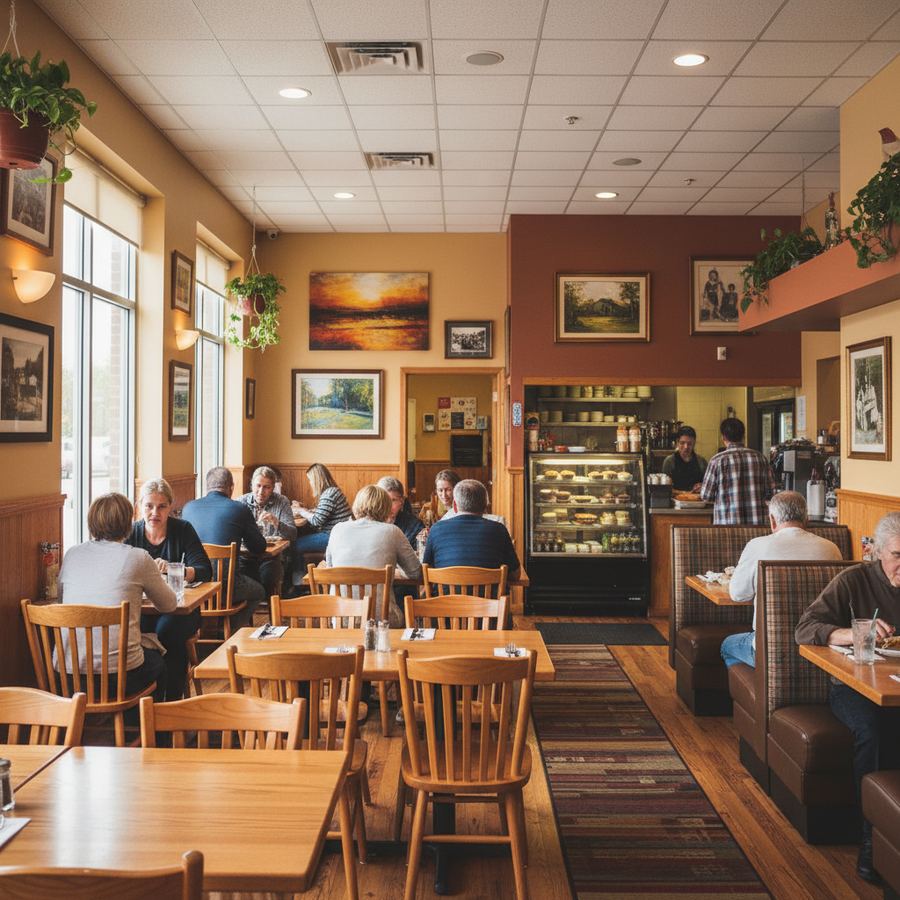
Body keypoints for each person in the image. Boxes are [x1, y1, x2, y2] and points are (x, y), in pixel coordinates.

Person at [795, 511, 900, 884]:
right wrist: (846, 633)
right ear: (875, 552)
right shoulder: (853, 580)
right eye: (898, 556)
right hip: (853, 686)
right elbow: (805, 629)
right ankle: (871, 839)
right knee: (873, 732)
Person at [59, 492, 176, 703]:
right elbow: (168, 605)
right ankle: (153, 732)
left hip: (66, 675)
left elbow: (61, 601)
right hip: (119, 676)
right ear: (128, 523)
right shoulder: (138, 557)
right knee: (159, 663)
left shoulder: (72, 554)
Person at [719, 491, 842, 669]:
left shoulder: (757, 545)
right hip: (819, 646)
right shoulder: (831, 549)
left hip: (770, 648)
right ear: (806, 518)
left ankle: (759, 687)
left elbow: (737, 594)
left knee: (726, 646)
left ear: (772, 520)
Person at [127, 478, 212, 700]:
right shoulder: (131, 533)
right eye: (149, 506)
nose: (155, 512)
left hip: (180, 610)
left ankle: (172, 701)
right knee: (134, 631)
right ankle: (147, 700)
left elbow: (205, 569)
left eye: (161, 506)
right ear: (139, 506)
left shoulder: (182, 529)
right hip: (142, 609)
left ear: (170, 507)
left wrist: (177, 569)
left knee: (168, 631)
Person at [325, 484, 422, 624]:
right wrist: (390, 572)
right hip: (381, 619)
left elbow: (330, 569)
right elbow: (415, 572)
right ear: (386, 507)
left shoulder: (337, 529)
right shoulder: (392, 531)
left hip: (341, 618)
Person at [182, 466, 266, 626]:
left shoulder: (188, 508)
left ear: (207, 487)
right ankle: (233, 629)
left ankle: (206, 630)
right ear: (231, 487)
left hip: (194, 589)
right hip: (227, 589)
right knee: (259, 592)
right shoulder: (239, 509)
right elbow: (258, 547)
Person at [423, 479, 520, 575]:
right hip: (491, 591)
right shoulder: (499, 530)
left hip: (445, 591)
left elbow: (426, 569)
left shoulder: (436, 529)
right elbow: (515, 574)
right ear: (485, 505)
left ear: (455, 506)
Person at [699, 417, 775, 525]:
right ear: (743, 436)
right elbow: (771, 492)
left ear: (723, 437)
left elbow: (706, 496)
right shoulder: (760, 458)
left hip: (727, 526)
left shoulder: (717, 460)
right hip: (757, 526)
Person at [240, 465, 297, 598]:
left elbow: (293, 534)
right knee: (237, 576)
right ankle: (247, 613)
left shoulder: (282, 501)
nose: (261, 491)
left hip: (271, 557)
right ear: (251, 485)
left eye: (266, 487)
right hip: (245, 556)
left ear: (273, 488)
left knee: (269, 576)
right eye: (258, 486)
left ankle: (273, 614)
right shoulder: (241, 502)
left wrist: (276, 522)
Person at [293, 463, 352, 556]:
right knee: (302, 534)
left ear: (316, 480)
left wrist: (301, 510)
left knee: (296, 544)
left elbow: (317, 521)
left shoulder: (329, 494)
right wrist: (305, 509)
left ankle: (300, 571)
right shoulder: (332, 491)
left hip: (332, 536)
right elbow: (322, 511)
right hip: (339, 534)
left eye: (310, 480)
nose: (310, 483)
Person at [377, 475, 425, 549]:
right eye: (384, 499)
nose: (387, 505)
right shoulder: (370, 522)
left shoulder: (415, 526)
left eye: (393, 500)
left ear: (401, 501)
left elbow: (419, 554)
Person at [661, 426, 707, 492]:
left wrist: (702, 486)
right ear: (677, 442)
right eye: (682, 443)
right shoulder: (669, 461)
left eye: (689, 444)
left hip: (696, 500)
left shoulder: (701, 462)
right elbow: (664, 488)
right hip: (675, 500)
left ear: (694, 443)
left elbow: (708, 485)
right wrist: (683, 493)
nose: (686, 447)